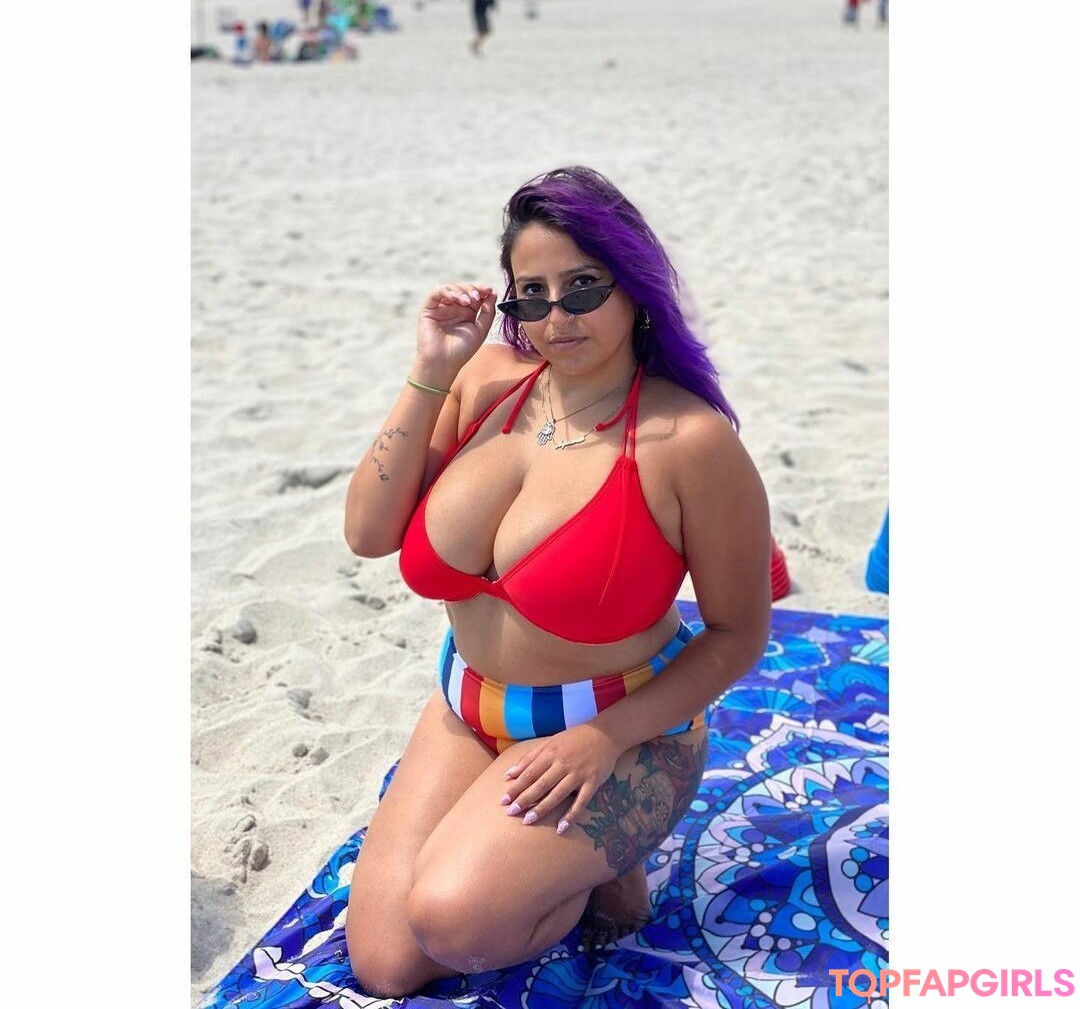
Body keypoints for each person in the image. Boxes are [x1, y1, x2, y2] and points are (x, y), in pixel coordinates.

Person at [342, 166, 771, 998]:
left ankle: (600, 867)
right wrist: (431, 371)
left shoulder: (688, 441)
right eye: (531, 295)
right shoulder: (484, 384)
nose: (557, 317)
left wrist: (604, 739)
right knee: (387, 963)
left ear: (633, 288)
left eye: (582, 288)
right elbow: (367, 532)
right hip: (469, 711)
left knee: (455, 921)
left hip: (620, 731)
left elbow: (738, 632)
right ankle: (545, 862)